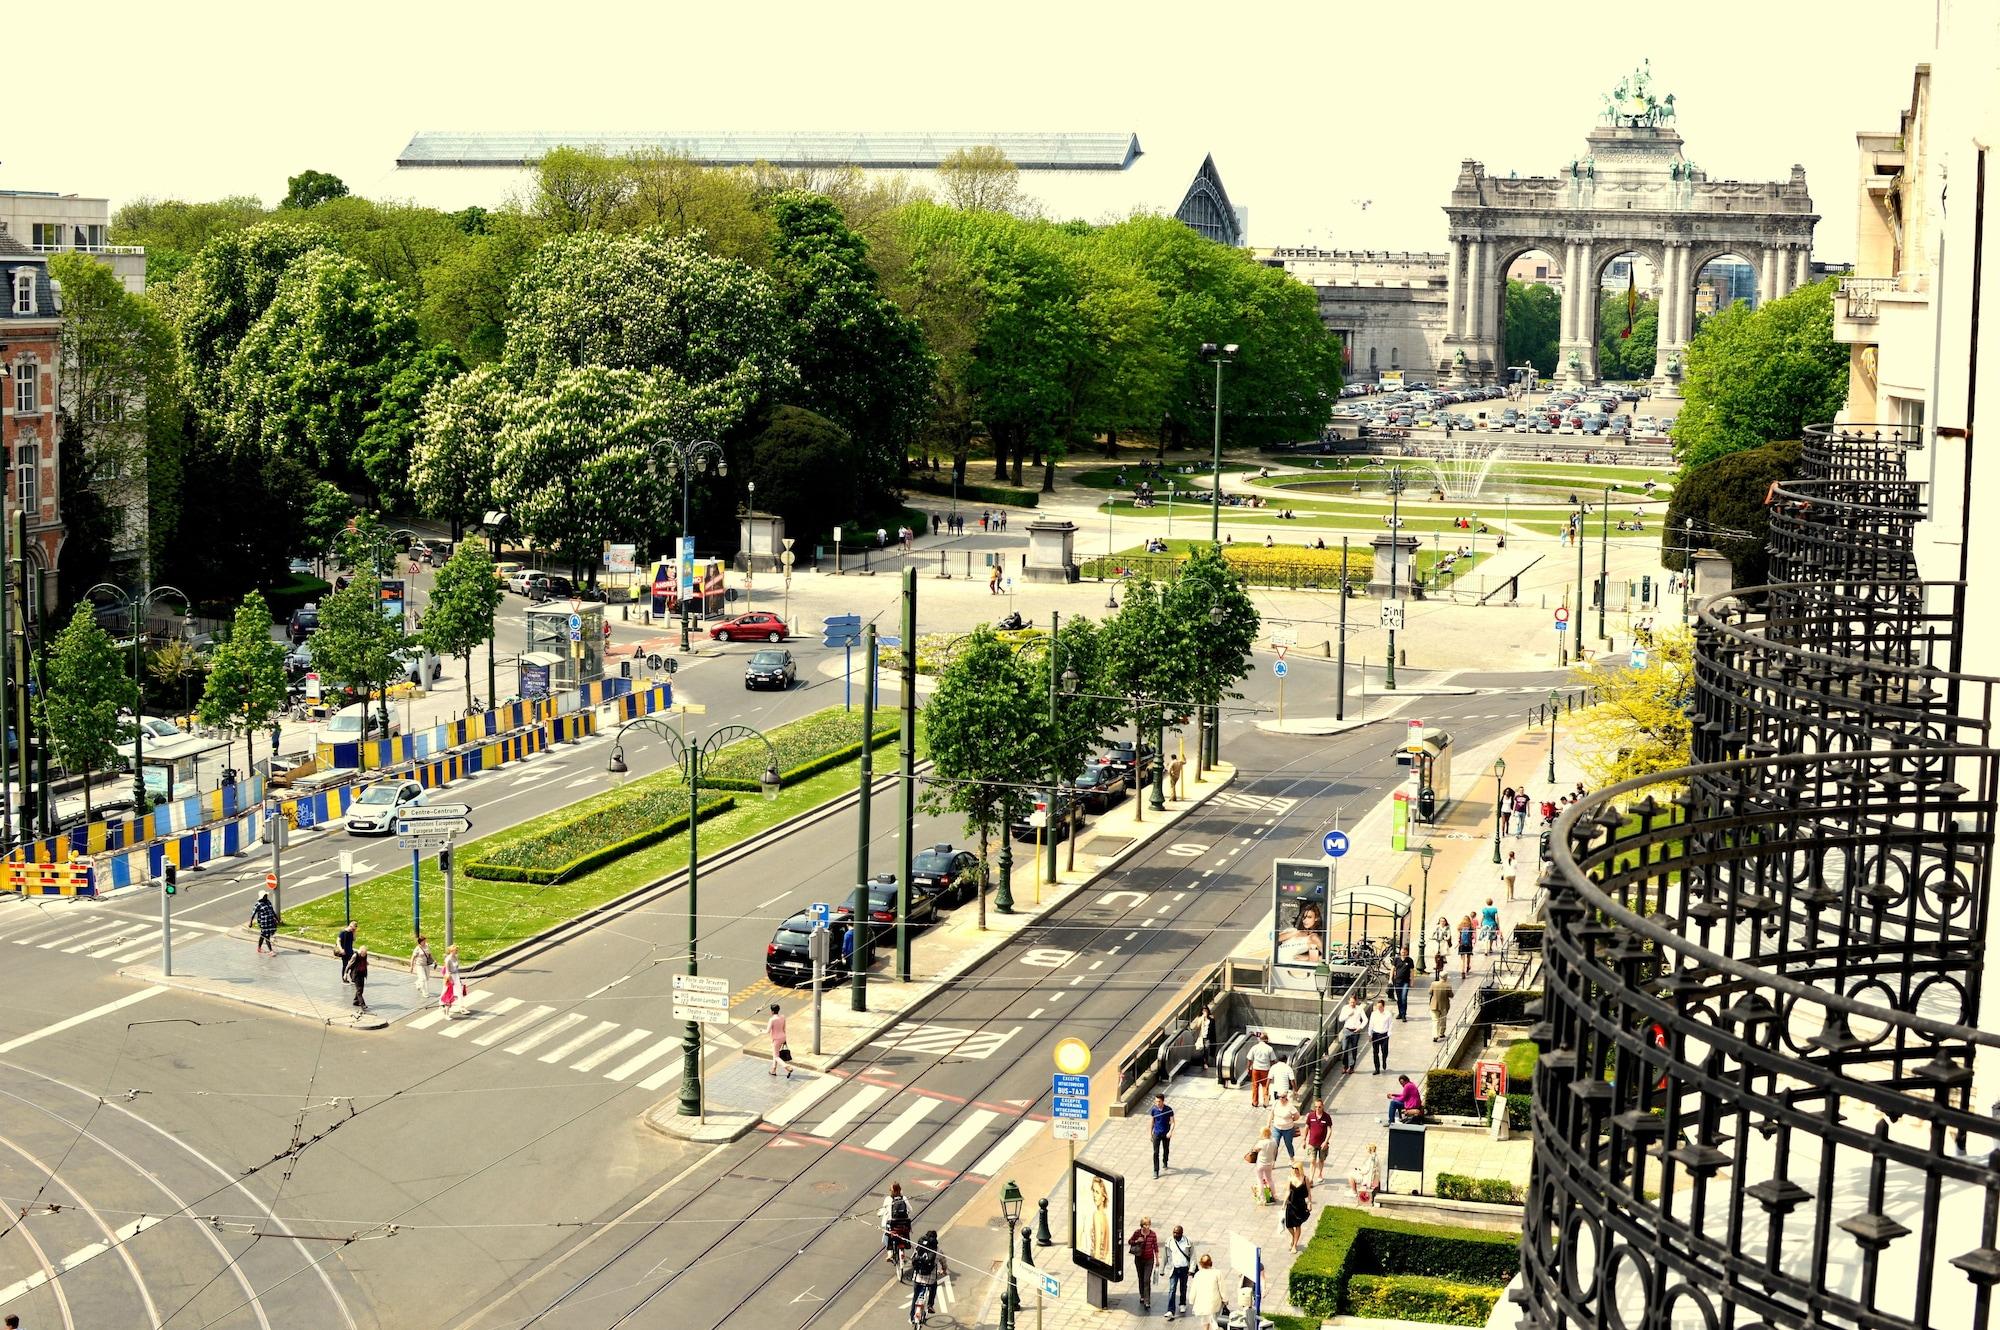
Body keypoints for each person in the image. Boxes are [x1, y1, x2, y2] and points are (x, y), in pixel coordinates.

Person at [909, 1229, 946, 1323]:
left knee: (915, 1296)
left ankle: (912, 1317)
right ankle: (930, 1305)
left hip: (918, 1277)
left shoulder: (919, 1246)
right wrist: (944, 1270)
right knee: (934, 1287)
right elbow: (943, 1262)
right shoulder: (938, 1251)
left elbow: (913, 1259)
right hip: (930, 1279)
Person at [1128, 1217, 1160, 1312]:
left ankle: (1147, 1301)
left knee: (1146, 1280)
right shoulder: (1137, 1233)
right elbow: (1130, 1241)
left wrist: (1157, 1260)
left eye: (1148, 1224)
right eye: (1145, 1225)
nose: (1147, 1227)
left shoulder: (1153, 1234)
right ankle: (1142, 1295)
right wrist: (1137, 1241)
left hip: (1149, 1260)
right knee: (1141, 1278)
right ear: (1142, 1225)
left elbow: (1156, 1247)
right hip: (1139, 1259)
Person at [1080, 1174, 1114, 1265]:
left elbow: (1097, 1247)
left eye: (1097, 1192)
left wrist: (1094, 1265)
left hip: (1097, 1260)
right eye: (1093, 1191)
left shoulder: (1097, 1215)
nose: (1094, 1195)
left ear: (1103, 1197)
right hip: (1104, 1261)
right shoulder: (1104, 1216)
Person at [1189, 1253, 1228, 1330]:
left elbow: (1194, 1289)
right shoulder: (1217, 1273)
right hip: (1214, 1304)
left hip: (1202, 1304)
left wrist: (1191, 1300)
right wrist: (1225, 1299)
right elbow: (1222, 1288)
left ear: (1201, 1264)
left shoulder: (1198, 1274)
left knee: (1205, 1323)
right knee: (1214, 1322)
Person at [880, 1182, 913, 1270]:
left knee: (886, 1234)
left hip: (893, 1224)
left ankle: (890, 1253)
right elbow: (911, 1209)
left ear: (892, 1191)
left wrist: (879, 1213)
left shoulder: (888, 1199)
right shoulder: (904, 1198)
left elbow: (883, 1210)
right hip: (904, 1224)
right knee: (905, 1233)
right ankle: (904, 1251)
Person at [1282, 1164, 1314, 1252]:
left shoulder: (1305, 1179)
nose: (1295, 1171)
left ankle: (1294, 1245)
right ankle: (1294, 1237)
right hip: (1291, 1204)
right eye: (1293, 1169)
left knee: (1297, 1225)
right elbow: (1288, 1191)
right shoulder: (1290, 1178)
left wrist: (1310, 1203)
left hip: (1300, 1205)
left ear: (1300, 1169)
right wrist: (1284, 1203)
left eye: (1296, 1169)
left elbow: (1308, 1192)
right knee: (1289, 1225)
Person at [1304, 1098, 1332, 1183]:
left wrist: (1326, 1141)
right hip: (1312, 1143)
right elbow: (1306, 1127)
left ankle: (1320, 1173)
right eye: (1316, 1107)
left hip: (1323, 1144)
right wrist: (1304, 1139)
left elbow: (1330, 1130)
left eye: (1319, 1107)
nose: (1317, 1109)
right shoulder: (1310, 1116)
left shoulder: (1327, 1117)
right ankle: (1311, 1179)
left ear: (1322, 1106)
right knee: (1312, 1160)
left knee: (1321, 1160)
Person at [1340, 995, 1370, 1073]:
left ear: (1356, 1002)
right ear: (1348, 1001)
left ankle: (1352, 1067)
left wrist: (1360, 1027)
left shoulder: (1359, 1009)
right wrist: (1348, 1015)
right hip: (1347, 1029)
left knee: (1354, 1049)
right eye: (1351, 1002)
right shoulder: (1345, 1008)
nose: (1352, 1004)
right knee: (1344, 1048)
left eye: (1353, 1002)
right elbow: (1340, 1019)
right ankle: (1345, 1066)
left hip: (1355, 1031)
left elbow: (1365, 1019)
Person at [1249, 1125, 1278, 1204]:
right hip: (1269, 1164)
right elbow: (1275, 1151)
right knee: (1270, 1179)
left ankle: (1262, 1198)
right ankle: (1274, 1195)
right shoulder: (1274, 1142)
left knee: (1260, 1180)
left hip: (1261, 1164)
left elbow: (1255, 1149)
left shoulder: (1261, 1143)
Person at [1245, 1032, 1275, 1106]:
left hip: (1256, 1069)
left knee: (1255, 1085)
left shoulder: (1254, 1047)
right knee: (1265, 1086)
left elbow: (1249, 1059)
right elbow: (1272, 1060)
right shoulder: (1269, 1048)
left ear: (1260, 1039)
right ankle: (1266, 1102)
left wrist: (1248, 1068)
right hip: (1265, 1069)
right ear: (1266, 1040)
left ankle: (1255, 1102)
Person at [1150, 1091, 1175, 1177]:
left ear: (1163, 1101)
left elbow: (1172, 1122)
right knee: (1155, 1152)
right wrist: (1150, 1134)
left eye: (1159, 1101)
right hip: (1156, 1133)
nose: (1157, 1103)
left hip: (1166, 1133)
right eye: (1156, 1101)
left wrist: (1170, 1132)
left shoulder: (1168, 1110)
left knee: (1166, 1149)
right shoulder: (1154, 1110)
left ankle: (1165, 1161)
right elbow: (1152, 1122)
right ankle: (1156, 1170)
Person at [1270, 1092, 1301, 1161]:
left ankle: (1291, 1158)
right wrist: (1268, 1124)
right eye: (1279, 1097)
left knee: (1288, 1144)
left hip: (1288, 1129)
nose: (1281, 1099)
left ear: (1286, 1097)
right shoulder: (1275, 1103)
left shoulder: (1290, 1106)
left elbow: (1297, 1116)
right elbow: (1271, 1113)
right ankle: (1273, 1161)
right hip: (1276, 1128)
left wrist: (1292, 1119)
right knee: (1275, 1145)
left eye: (1283, 1097)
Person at [250, 891, 279, 955]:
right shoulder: (258, 904)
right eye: (265, 896)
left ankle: (259, 948)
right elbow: (253, 914)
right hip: (264, 923)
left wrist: (277, 919)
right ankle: (271, 951)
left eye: (266, 895)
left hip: (270, 921)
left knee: (263, 935)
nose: (266, 897)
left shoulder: (268, 902)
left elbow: (272, 911)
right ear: (262, 897)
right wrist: (251, 922)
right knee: (267, 936)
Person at [767, 1002, 792, 1078]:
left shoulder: (772, 1020)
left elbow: (767, 1031)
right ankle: (773, 1070)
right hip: (783, 1037)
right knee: (775, 1054)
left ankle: (787, 1066)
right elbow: (784, 1029)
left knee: (776, 1057)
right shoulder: (783, 1017)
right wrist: (785, 1039)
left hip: (776, 1039)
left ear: (772, 1011)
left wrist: (761, 1031)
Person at [1369, 997, 1393, 1074]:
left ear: (1383, 1006)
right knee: (1375, 1052)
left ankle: (1384, 1060)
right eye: (1377, 1007)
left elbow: (1390, 1024)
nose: (1379, 1008)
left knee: (1384, 1051)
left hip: (1384, 1035)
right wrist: (1370, 1034)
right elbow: (1371, 1025)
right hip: (1376, 1034)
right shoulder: (1373, 1014)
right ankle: (1377, 1068)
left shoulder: (1388, 1014)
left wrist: (1389, 1033)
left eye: (1380, 1007)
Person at [441, 943, 466, 1018]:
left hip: (456, 975)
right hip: (450, 976)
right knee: (446, 991)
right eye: (455, 950)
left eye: (457, 950)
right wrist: (451, 980)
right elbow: (447, 971)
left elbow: (457, 968)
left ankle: (462, 1006)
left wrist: (458, 978)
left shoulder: (456, 957)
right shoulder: (448, 959)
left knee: (459, 991)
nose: (457, 951)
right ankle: (442, 1004)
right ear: (451, 951)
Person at [1391, 948, 1415, 1020]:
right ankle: (1400, 1013)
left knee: (1404, 997)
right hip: (1397, 981)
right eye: (1402, 952)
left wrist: (1412, 981)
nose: (1403, 953)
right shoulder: (1396, 959)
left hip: (1405, 982)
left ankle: (1404, 1014)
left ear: (1407, 952)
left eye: (1404, 952)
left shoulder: (1410, 960)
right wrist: (1390, 979)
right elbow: (1392, 969)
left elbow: (1412, 971)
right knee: (1399, 998)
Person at [1430, 975, 1453, 1043]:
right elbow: (1451, 995)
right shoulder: (1448, 986)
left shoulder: (1433, 984)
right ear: (1446, 977)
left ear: (1440, 977)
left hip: (1434, 1005)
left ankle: (1435, 1035)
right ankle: (1441, 1033)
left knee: (1435, 1021)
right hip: (1444, 1006)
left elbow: (1430, 992)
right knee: (1443, 1020)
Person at [335, 920, 357, 987]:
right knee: (345, 965)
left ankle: (353, 978)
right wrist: (341, 949)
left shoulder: (351, 932)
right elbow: (338, 941)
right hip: (344, 951)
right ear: (350, 926)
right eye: (353, 928)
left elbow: (354, 939)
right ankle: (344, 979)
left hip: (350, 951)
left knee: (353, 964)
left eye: (354, 929)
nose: (353, 930)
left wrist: (354, 932)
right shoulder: (343, 932)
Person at [348, 947, 370, 1011]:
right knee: (359, 991)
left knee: (360, 989)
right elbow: (348, 965)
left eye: (365, 953)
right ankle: (363, 1005)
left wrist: (366, 963)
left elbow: (364, 961)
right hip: (356, 974)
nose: (365, 955)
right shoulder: (355, 956)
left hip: (362, 974)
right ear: (360, 952)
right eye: (364, 953)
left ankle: (355, 1001)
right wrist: (345, 974)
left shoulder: (364, 956)